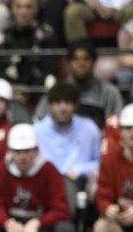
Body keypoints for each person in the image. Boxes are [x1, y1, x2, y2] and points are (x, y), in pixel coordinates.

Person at [90, 102, 133, 232]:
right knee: (100, 228)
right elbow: (103, 194)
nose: (132, 133)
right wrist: (108, 209)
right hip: (120, 224)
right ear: (120, 132)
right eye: (128, 128)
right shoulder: (109, 159)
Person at [34, 81, 101, 215]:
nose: (63, 108)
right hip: (43, 185)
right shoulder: (37, 130)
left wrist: (79, 170)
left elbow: (99, 162)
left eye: (68, 103)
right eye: (58, 103)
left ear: (75, 106)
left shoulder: (89, 128)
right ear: (50, 105)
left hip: (78, 183)